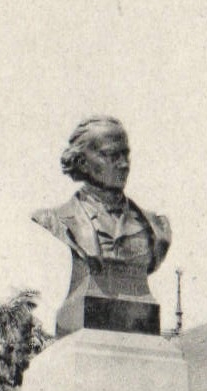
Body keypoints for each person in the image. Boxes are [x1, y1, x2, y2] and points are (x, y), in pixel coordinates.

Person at [33, 117, 171, 334]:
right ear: (82, 163)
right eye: (111, 155)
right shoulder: (59, 219)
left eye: (125, 154)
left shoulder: (157, 229)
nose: (123, 165)